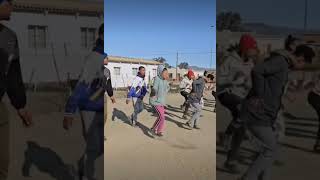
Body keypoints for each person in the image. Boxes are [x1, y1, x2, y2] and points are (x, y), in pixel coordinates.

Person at [239, 45, 315, 180]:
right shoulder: (280, 61)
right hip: (257, 111)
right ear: (301, 58)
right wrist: (261, 93)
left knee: (270, 148)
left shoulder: (284, 64)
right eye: (303, 63)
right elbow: (257, 71)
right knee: (270, 147)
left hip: (266, 113)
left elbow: (274, 88)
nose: (302, 67)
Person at [63, 23, 106, 180]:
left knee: (101, 147)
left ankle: (81, 165)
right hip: (89, 108)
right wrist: (69, 110)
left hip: (103, 109)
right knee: (94, 147)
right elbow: (81, 84)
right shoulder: (94, 58)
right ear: (101, 36)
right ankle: (85, 175)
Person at [0, 1, 33, 179]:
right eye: (8, 3)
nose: (11, 7)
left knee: (2, 162)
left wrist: (20, 105)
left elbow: (12, 74)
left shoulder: (9, 37)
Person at [217, 34, 258, 173]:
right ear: (245, 48)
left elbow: (250, 82)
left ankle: (230, 161)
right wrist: (233, 81)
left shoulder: (251, 63)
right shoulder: (230, 60)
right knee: (243, 111)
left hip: (241, 97)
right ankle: (227, 134)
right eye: (252, 48)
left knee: (241, 128)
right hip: (225, 94)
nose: (255, 51)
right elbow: (219, 80)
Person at [150, 65, 170, 137]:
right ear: (160, 72)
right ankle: (153, 129)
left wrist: (168, 83)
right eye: (164, 73)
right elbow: (154, 88)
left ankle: (159, 131)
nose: (166, 74)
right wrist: (153, 92)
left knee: (162, 117)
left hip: (161, 101)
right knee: (161, 117)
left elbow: (167, 89)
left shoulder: (165, 80)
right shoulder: (157, 79)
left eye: (167, 73)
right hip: (155, 101)